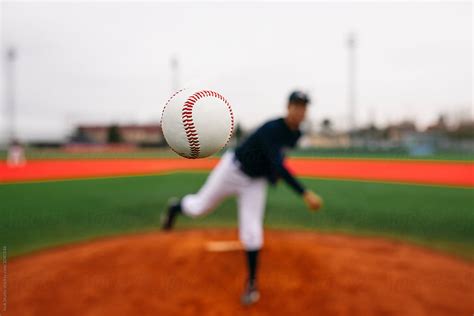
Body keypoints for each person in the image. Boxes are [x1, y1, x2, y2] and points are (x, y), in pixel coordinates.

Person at [161, 90, 323, 305]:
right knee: (199, 208)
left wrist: (272, 175)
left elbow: (277, 160)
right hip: (232, 171)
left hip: (255, 183)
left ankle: (252, 284)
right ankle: (176, 207)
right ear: (288, 107)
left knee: (252, 231)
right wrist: (304, 192)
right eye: (297, 105)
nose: (300, 110)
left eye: (304, 107)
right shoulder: (272, 129)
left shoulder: (296, 134)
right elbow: (278, 164)